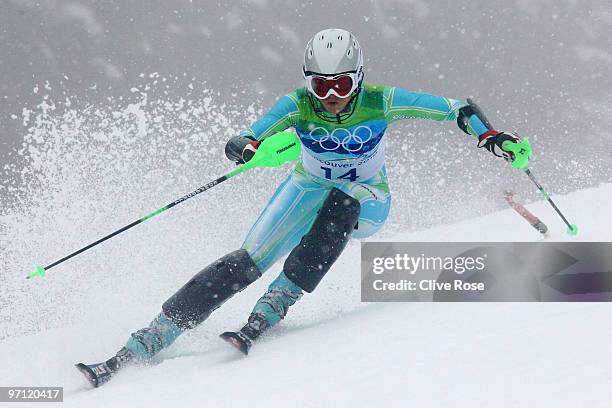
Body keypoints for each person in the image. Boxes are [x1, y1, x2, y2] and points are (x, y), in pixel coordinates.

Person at [76, 28, 529, 387]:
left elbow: (457, 109)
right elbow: (254, 131)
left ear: (359, 78)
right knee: (245, 261)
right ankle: (147, 340)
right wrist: (245, 145)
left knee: (342, 201)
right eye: (321, 83)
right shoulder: (297, 104)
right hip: (306, 186)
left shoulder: (381, 100)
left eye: (342, 83)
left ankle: (273, 306)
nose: (331, 93)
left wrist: (492, 137)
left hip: (367, 198)